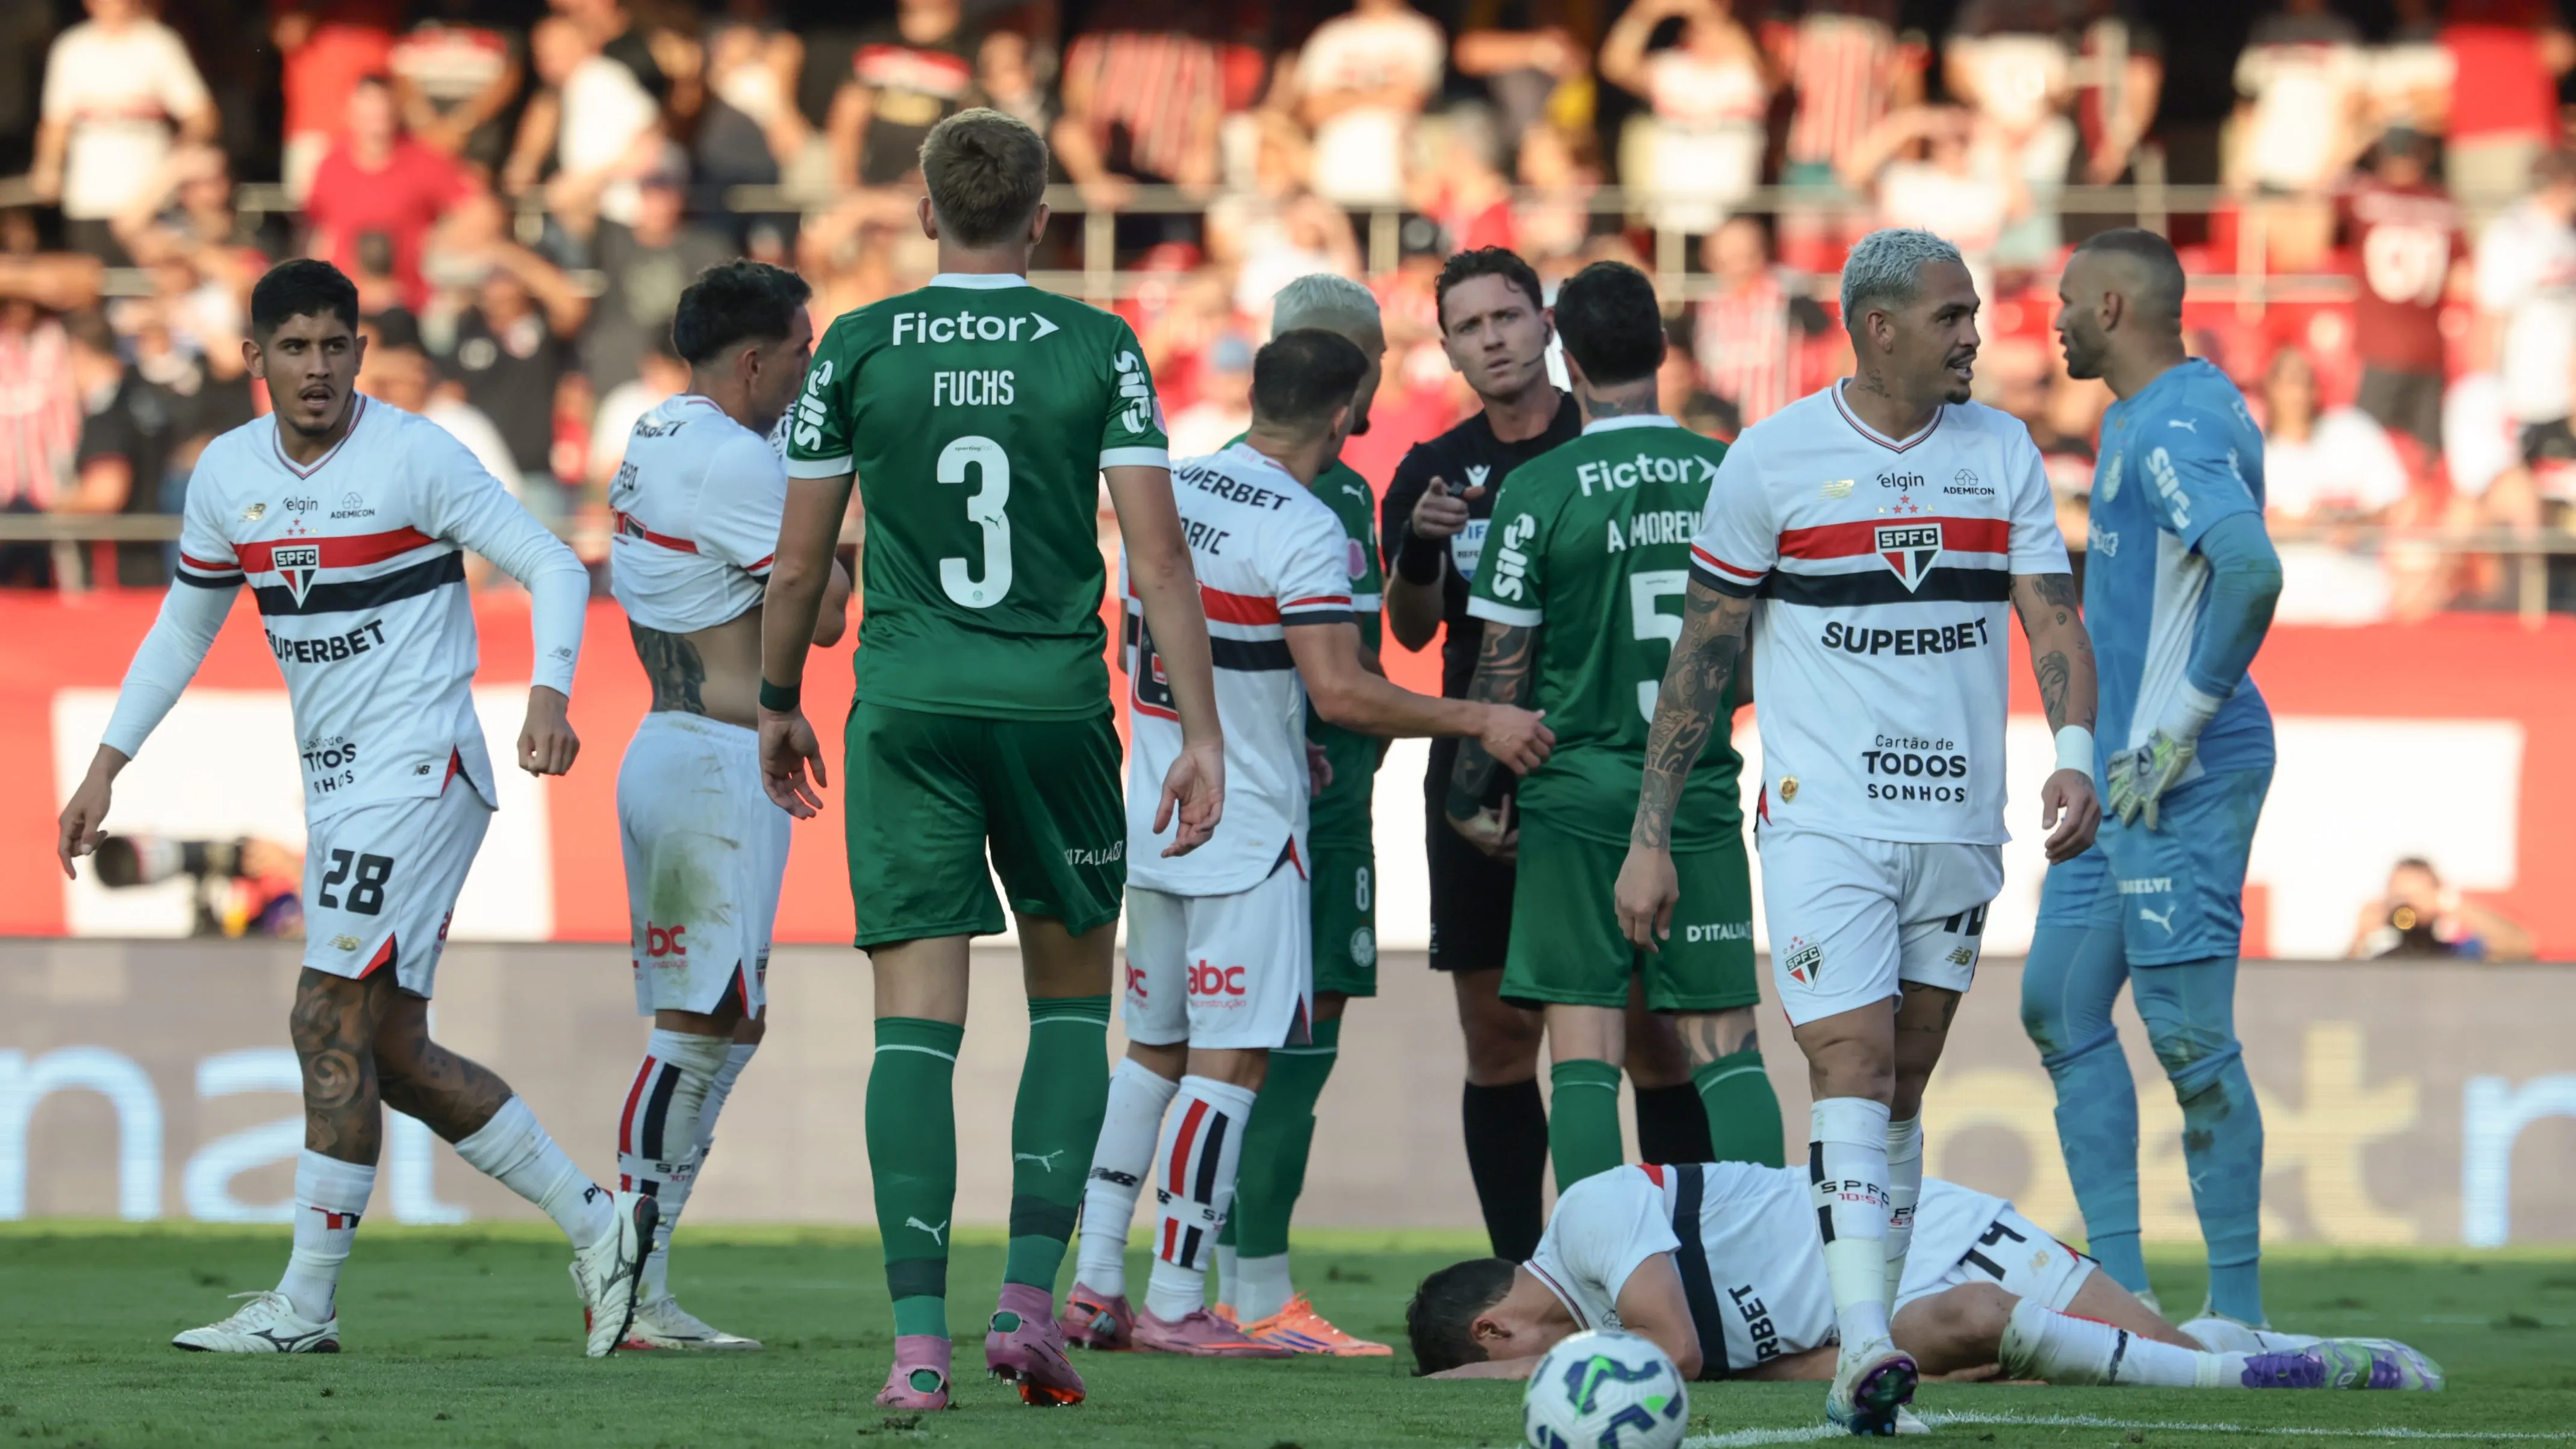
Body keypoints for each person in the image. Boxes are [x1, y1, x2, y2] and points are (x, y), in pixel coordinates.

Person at [54, 258, 654, 1357]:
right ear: (254, 359)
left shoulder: (415, 455)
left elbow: (555, 566)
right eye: (295, 347)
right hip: (336, 785)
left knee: (320, 1016)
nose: (317, 368)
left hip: (421, 769)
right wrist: (107, 765)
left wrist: (552, 692)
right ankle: (603, 1225)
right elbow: (183, 627)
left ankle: (305, 1306)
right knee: (395, 1054)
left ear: (361, 352)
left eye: (336, 346)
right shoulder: (226, 474)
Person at [758, 108, 1224, 1412]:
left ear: (922, 210)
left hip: (904, 703)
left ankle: (916, 1347)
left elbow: (798, 562)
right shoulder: (1098, 344)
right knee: (1073, 1004)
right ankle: (1028, 1305)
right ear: (1038, 221)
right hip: (1053, 708)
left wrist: (778, 698)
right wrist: (1198, 728)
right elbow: (1158, 554)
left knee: (914, 1025)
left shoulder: (856, 343)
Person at [1615, 227, 2102, 1434]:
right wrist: (1650, 830)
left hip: (1957, 822)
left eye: (1970, 313)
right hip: (1821, 821)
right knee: (1851, 1063)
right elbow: (1702, 654)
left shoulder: (2000, 451)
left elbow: (2049, 619)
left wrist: (2075, 755)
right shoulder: (1770, 461)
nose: (1971, 336)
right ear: (1874, 325)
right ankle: (1867, 1345)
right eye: (1948, 316)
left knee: (1902, 1082)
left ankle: (1859, 1339)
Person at [1067, 329, 1554, 1359]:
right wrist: (1479, 719)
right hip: (1243, 828)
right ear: (1343, 416)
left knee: (1151, 1052)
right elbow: (1341, 689)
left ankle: (1096, 1282)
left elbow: (1191, 649)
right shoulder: (1297, 522)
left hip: (1154, 807)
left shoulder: (1172, 490)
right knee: (1230, 1063)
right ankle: (1173, 1298)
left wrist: (1279, 735)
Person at [1382, 247, 1715, 1266]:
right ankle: (1531, 1276)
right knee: (1498, 1040)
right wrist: (1424, 549)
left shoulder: (1608, 438)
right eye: (1469, 326)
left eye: (1508, 317)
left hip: (1603, 764)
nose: (1492, 339)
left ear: (1548, 328)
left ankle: (1683, 1262)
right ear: (1445, 348)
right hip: (1480, 772)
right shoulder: (1431, 470)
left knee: (1652, 1038)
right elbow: (1407, 630)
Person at [1450, 258, 1782, 1198]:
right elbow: (1760, 652)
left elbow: (1501, 667)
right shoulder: (1730, 474)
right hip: (1698, 795)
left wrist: (1474, 797)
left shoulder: (1540, 488)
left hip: (1576, 791)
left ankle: (1604, 1292)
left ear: (1564, 350)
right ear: (1664, 351)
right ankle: (1767, 1278)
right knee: (1726, 1046)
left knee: (1584, 1049)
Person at [2030, 228, 2285, 1336]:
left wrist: (2180, 726)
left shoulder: (2175, 420)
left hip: (2182, 774)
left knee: (2186, 1038)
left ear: (2117, 309)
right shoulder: (2135, 413)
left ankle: (2233, 1310)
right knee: (2059, 1003)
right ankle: (2125, 1298)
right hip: (2126, 780)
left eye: (2069, 303)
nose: (2055, 322)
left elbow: (2251, 566)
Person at [605, 261, 852, 1351]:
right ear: (754, 359)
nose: (809, 369)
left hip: (682, 745)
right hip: (711, 761)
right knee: (695, 1027)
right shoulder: (739, 464)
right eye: (801, 350)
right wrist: (842, 512)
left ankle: (642, 1276)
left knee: (733, 1021)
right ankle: (619, 1270)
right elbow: (831, 612)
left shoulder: (662, 429)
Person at [1403, 1162, 2443, 1395]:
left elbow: (1671, 1357)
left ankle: (2266, 1358)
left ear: (1497, 1331)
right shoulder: (1625, 1312)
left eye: (1532, 1365)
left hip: (1943, 1232)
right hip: (1900, 1310)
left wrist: (1467, 1390)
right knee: (1972, 1331)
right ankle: (2225, 1351)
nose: (1559, 1377)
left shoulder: (1589, 1212)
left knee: (2162, 1364)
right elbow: (1802, 1366)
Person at [1210, 275, 1405, 1355]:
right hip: (1309, 798)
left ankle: (1194, 1277)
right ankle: (1260, 1289)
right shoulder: (1323, 495)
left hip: (1226, 788)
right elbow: (1347, 675)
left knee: (1211, 1035)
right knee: (1297, 1033)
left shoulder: (1200, 480)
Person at [31, 0, 220, 265]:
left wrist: (180, 160)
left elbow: (201, 115)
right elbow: (56, 121)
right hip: (90, 198)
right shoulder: (71, 48)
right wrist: (48, 167)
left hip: (151, 200)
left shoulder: (159, 44)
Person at [2348, 857, 2535, 961]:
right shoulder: (2381, 962)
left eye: (2419, 894)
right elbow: (2339, 992)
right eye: (2401, 894)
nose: (2410, 910)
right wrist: (2360, 938)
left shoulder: (2460, 954)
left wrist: (2447, 904)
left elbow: (2520, 947)